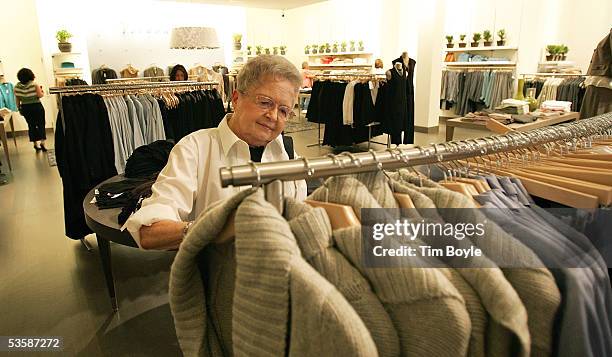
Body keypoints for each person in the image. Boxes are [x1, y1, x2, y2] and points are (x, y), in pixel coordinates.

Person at [125, 55, 307, 250]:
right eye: (264, 102)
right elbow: (149, 231)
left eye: (283, 111)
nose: (272, 116)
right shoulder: (195, 149)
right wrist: (216, 228)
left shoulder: (288, 155)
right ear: (236, 99)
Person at [14, 68, 47, 151]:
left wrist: (19, 109)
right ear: (30, 75)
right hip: (36, 107)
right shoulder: (34, 85)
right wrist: (42, 91)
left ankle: (35, 144)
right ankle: (42, 142)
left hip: (25, 108)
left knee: (31, 125)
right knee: (41, 124)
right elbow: (40, 95)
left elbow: (17, 99)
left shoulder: (16, 87)